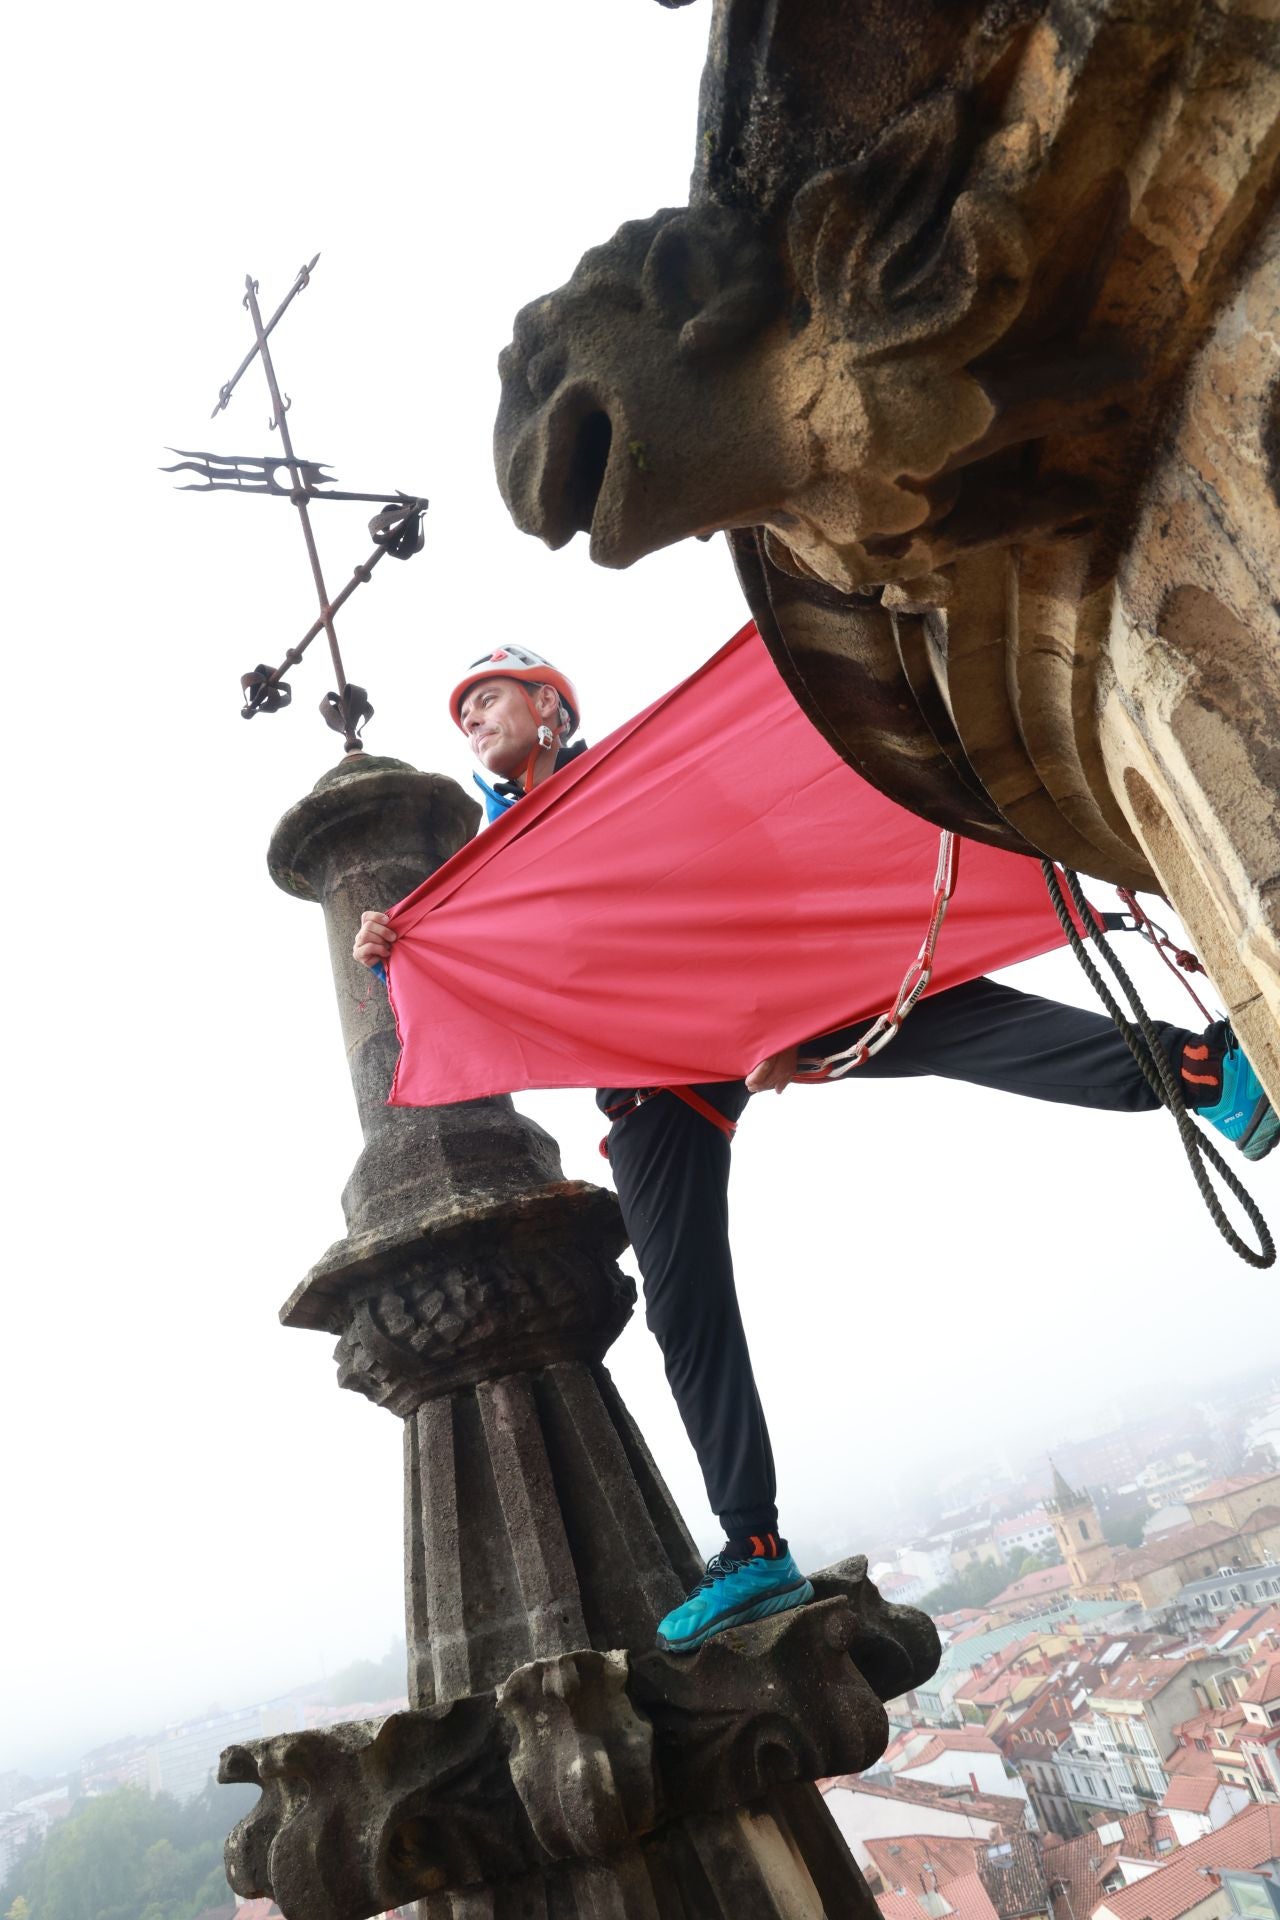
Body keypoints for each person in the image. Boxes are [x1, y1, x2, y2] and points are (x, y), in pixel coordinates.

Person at [354, 645, 1278, 1654]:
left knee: (939, 1017)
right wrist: (393, 955)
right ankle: (752, 1550)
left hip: (738, 997)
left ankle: (1202, 1073)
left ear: (546, 705)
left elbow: (741, 870)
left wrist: (777, 1009)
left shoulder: (624, 787)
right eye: (461, 713)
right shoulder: (494, 856)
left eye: (485, 699)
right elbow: (496, 976)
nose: (471, 721)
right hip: (651, 1073)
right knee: (682, 1304)